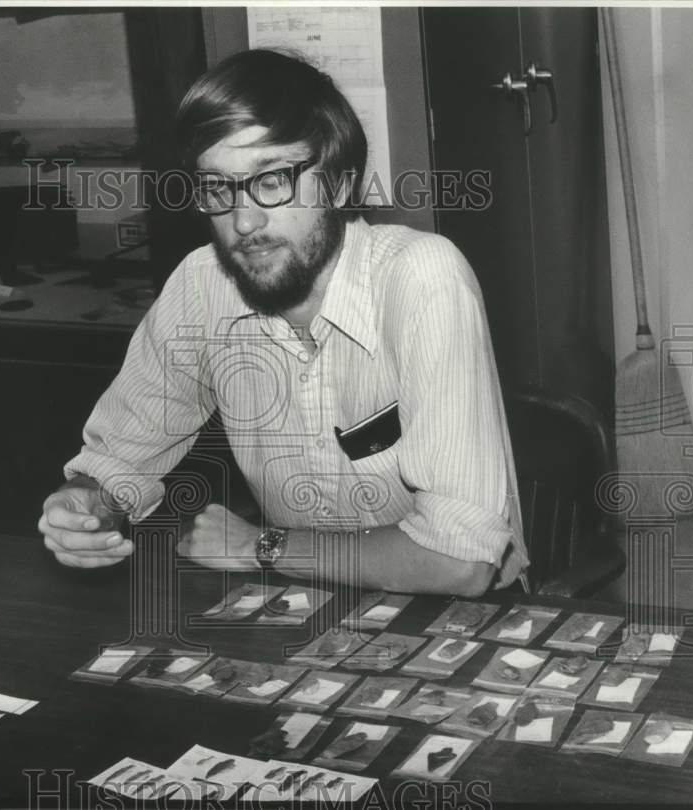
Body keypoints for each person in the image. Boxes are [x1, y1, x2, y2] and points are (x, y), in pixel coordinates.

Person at [38, 49, 529, 595]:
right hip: (299, 606)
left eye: (272, 179)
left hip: (455, 621)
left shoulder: (423, 279)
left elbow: (459, 563)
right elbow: (117, 459)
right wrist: (85, 503)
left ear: (341, 186)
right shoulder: (204, 284)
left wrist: (259, 547)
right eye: (218, 188)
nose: (243, 221)